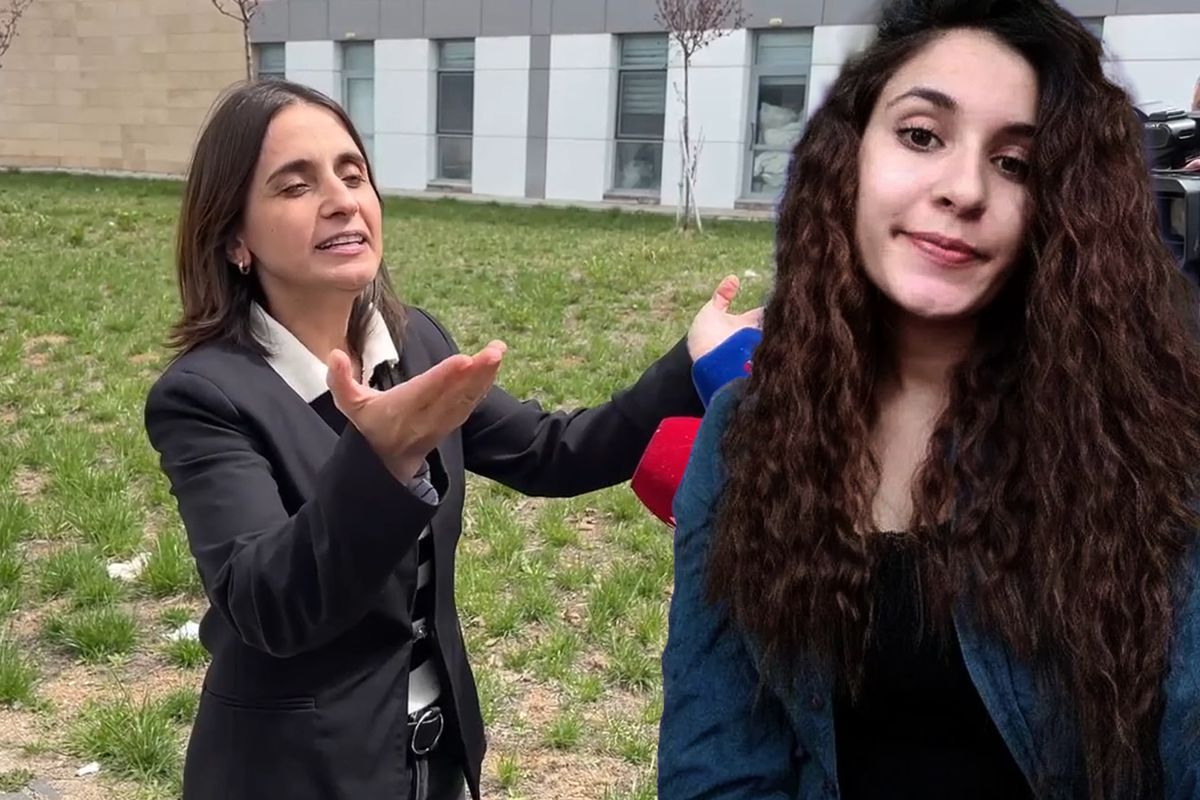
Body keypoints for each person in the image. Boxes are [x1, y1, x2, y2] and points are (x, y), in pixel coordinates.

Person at [143, 79, 759, 800]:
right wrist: (382, 460)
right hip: (295, 775)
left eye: (353, 174)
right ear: (234, 238)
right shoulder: (208, 396)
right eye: (296, 185)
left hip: (436, 760)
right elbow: (266, 606)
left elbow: (554, 453)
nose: (341, 201)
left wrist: (694, 360)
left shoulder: (415, 345)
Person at [658, 1, 1200, 799]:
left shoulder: (1147, 437)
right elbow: (717, 765)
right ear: (847, 156)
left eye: (1015, 163)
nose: (964, 189)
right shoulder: (745, 439)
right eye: (921, 135)